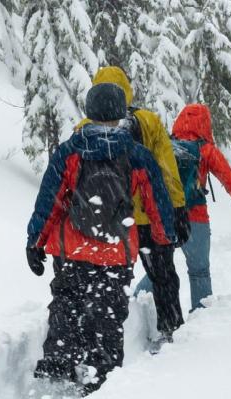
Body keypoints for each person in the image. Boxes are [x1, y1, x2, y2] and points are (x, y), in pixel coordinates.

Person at [26, 83, 176, 393]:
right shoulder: (137, 156)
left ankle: (58, 361)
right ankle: (100, 373)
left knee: (66, 301)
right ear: (122, 114)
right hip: (115, 251)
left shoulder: (70, 151)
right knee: (108, 312)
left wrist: (35, 241)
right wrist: (163, 237)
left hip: (72, 248)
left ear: (89, 111)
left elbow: (49, 201)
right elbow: (156, 202)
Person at [80, 66, 189, 344]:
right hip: (149, 219)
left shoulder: (83, 129)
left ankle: (104, 341)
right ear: (126, 89)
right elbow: (167, 169)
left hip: (109, 222)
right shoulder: (149, 121)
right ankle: (170, 328)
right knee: (163, 276)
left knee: (108, 281)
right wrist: (177, 209)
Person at [166, 102, 231, 310]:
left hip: (168, 218)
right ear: (205, 124)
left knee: (160, 268)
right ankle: (199, 328)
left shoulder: (166, 145)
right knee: (199, 272)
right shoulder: (206, 150)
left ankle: (138, 309)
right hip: (196, 220)